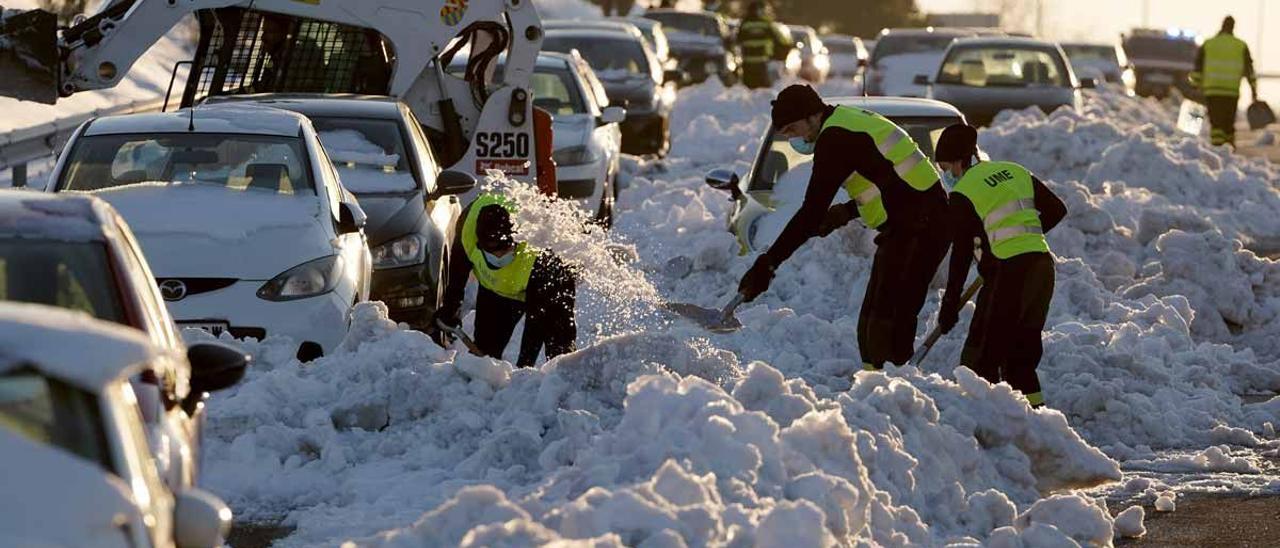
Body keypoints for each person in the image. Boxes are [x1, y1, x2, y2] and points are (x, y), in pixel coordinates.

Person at [737, 84, 951, 371]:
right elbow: (889, 180)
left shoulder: (835, 138)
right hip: (915, 222)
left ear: (812, 115)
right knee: (877, 321)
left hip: (921, 227)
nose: (791, 138)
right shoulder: (846, 122)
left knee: (885, 321)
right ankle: (884, 384)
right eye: (784, 133)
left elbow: (810, 212)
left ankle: (893, 392)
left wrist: (768, 263)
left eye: (792, 128)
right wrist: (847, 211)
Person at [934, 124, 1067, 408]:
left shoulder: (964, 192)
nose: (947, 176)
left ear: (960, 160)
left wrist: (949, 305)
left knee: (982, 359)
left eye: (946, 168)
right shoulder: (1014, 171)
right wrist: (1021, 240)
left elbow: (960, 254)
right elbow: (1057, 210)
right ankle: (1039, 424)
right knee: (1021, 359)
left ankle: (985, 426)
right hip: (1042, 270)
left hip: (1010, 276)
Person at [434, 193, 577, 366]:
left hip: (552, 287)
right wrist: (450, 308)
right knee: (486, 351)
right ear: (481, 245)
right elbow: (458, 271)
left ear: (514, 240)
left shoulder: (536, 248)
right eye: (495, 254)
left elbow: (535, 324)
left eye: (505, 251)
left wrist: (524, 370)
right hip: (497, 289)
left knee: (559, 354)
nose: (500, 258)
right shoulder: (468, 229)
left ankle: (563, 384)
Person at [1191, 15, 1258, 147]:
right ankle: (1229, 148)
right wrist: (1253, 90)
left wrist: (1194, 88)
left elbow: (1198, 68)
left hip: (1212, 91)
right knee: (1228, 123)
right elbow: (1249, 70)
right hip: (1231, 92)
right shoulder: (1241, 45)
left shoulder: (1208, 44)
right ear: (1233, 27)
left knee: (1216, 124)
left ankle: (1218, 150)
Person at [735, 2, 791, 89]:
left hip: (748, 62)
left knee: (748, 88)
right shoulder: (766, 24)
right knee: (762, 89)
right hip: (762, 62)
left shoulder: (744, 23)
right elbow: (778, 40)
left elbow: (738, 39)